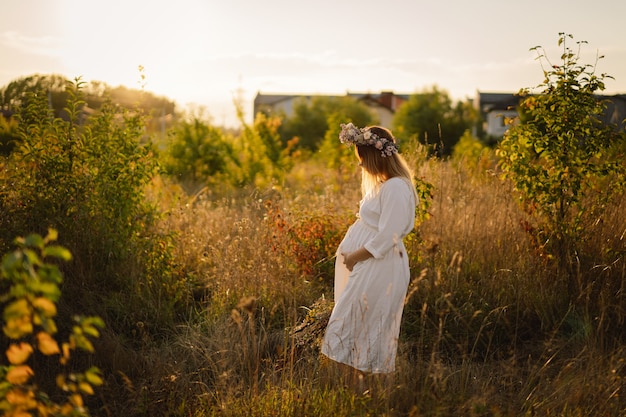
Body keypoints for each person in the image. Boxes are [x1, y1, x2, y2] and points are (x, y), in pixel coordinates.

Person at [321, 123, 418, 380]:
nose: (360, 165)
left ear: (374, 156)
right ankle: (355, 390)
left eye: (362, 159)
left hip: (380, 266)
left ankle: (366, 392)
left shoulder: (396, 187)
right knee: (352, 325)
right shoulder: (384, 185)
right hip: (369, 265)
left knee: (361, 325)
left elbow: (390, 234)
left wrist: (354, 257)